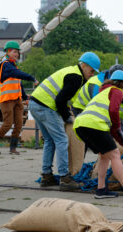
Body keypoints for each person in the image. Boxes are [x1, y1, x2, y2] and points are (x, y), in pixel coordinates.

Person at [28, 52, 100, 190]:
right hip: (45, 106)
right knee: (62, 140)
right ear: (84, 65)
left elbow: (64, 98)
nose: (92, 74)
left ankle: (46, 176)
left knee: (50, 141)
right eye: (91, 71)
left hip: (35, 104)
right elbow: (60, 100)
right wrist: (67, 116)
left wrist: (66, 112)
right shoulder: (76, 77)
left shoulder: (72, 72)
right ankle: (64, 178)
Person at [74, 70, 123, 201]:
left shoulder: (103, 92)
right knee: (115, 155)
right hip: (93, 125)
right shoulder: (117, 91)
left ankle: (101, 189)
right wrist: (118, 126)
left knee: (104, 155)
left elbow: (113, 130)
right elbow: (114, 111)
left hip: (80, 125)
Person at [0, 41, 38, 155]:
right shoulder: (6, 65)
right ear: (8, 52)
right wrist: (32, 78)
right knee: (8, 123)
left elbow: (18, 83)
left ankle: (13, 147)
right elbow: (18, 74)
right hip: (7, 99)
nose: (17, 54)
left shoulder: (13, 65)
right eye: (14, 52)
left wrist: (24, 97)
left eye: (18, 52)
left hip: (17, 99)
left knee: (18, 123)